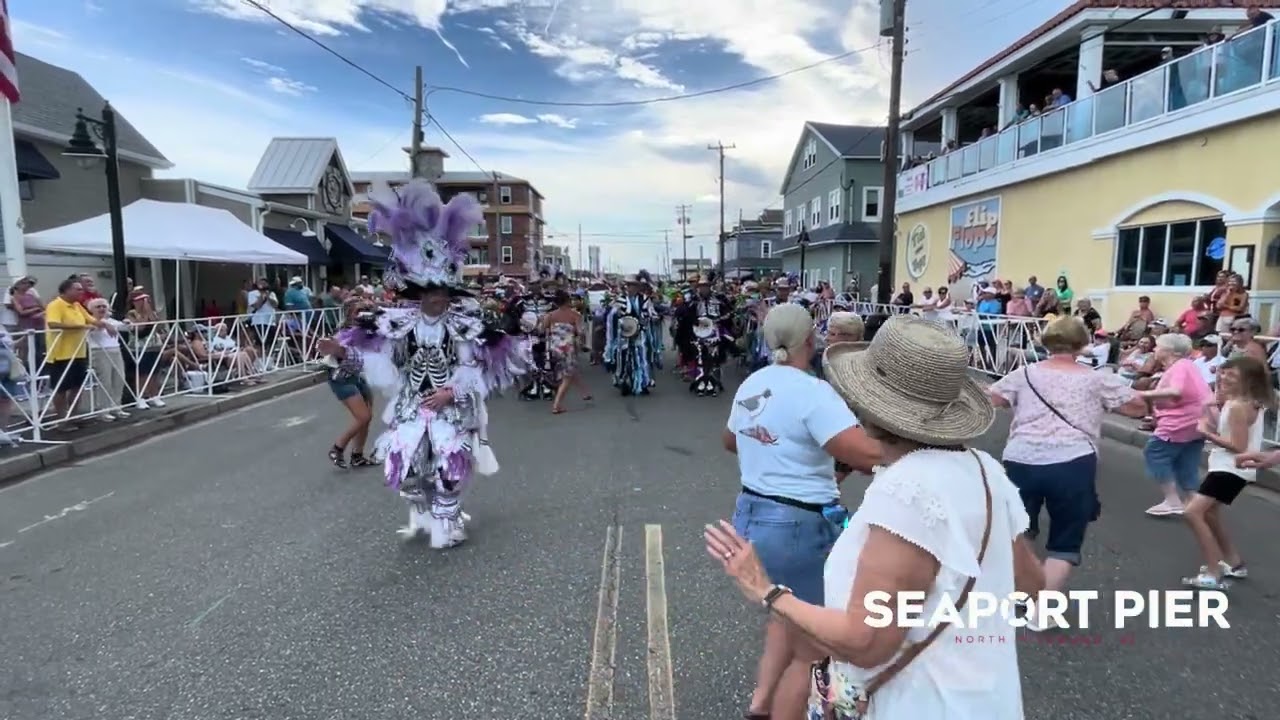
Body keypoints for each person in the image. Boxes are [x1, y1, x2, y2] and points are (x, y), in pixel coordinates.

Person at [707, 315, 1043, 720]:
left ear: (870, 406)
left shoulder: (905, 492)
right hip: (987, 698)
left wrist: (764, 589)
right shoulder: (987, 470)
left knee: (806, 646)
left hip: (920, 703)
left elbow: (867, 643)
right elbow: (1032, 588)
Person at [319, 180, 528, 548]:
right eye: (429, 292)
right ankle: (428, 512)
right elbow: (375, 358)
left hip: (449, 406)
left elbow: (473, 366)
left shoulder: (464, 324)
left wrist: (451, 392)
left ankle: (447, 521)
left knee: (450, 466)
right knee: (411, 473)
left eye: (442, 292)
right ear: (418, 293)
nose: (436, 298)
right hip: (412, 405)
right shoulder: (397, 322)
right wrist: (341, 353)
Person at [721, 303, 880, 719]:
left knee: (785, 613)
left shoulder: (754, 382)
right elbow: (863, 456)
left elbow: (730, 439)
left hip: (753, 516)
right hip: (798, 524)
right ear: (811, 340)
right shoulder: (813, 391)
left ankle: (760, 704)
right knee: (813, 650)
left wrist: (773, 443)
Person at [988, 317, 1150, 630]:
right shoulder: (1095, 378)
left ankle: (1023, 591)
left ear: (1046, 343)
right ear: (1082, 344)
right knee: (1065, 540)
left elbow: (993, 400)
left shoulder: (1024, 374)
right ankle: (1041, 611)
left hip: (1021, 458)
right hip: (1073, 460)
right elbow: (1137, 408)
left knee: (1021, 531)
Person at [1181, 356, 1271, 589]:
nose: (1223, 377)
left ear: (1247, 379)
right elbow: (1231, 430)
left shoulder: (1238, 406)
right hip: (1233, 469)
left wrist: (1205, 433)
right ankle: (1234, 563)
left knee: (1192, 513)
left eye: (1232, 375)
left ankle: (1213, 572)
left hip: (1230, 468)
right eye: (1223, 372)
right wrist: (1213, 406)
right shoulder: (1248, 402)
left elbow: (1238, 445)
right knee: (1209, 514)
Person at [1142, 333, 1213, 517]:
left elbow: (1176, 390)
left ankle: (1172, 500)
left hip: (1180, 422)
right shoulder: (1186, 365)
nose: (1154, 349)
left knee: (1155, 452)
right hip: (1198, 422)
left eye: (1158, 346)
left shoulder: (1180, 366)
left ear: (1169, 351)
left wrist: (1146, 395)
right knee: (1186, 460)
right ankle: (1193, 500)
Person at [325, 300, 377, 469]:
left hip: (359, 377)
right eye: (358, 311)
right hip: (342, 378)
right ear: (349, 314)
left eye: (366, 310)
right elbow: (337, 352)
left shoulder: (369, 330)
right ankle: (337, 448)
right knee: (363, 417)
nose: (363, 314)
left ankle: (358, 455)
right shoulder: (343, 333)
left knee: (367, 418)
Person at [604, 274, 659, 396]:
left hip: (640, 333)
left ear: (637, 287)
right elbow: (611, 314)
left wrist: (652, 318)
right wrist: (616, 315)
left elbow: (651, 313)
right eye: (628, 285)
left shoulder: (644, 299)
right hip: (623, 334)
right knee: (622, 357)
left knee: (642, 357)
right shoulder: (620, 300)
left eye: (633, 285)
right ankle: (623, 381)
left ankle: (643, 383)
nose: (630, 288)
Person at [541, 289, 591, 414]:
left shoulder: (550, 315)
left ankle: (584, 392)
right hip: (568, 348)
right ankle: (557, 404)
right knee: (567, 376)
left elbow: (541, 330)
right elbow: (580, 332)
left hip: (554, 348)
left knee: (570, 370)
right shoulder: (575, 315)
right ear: (568, 301)